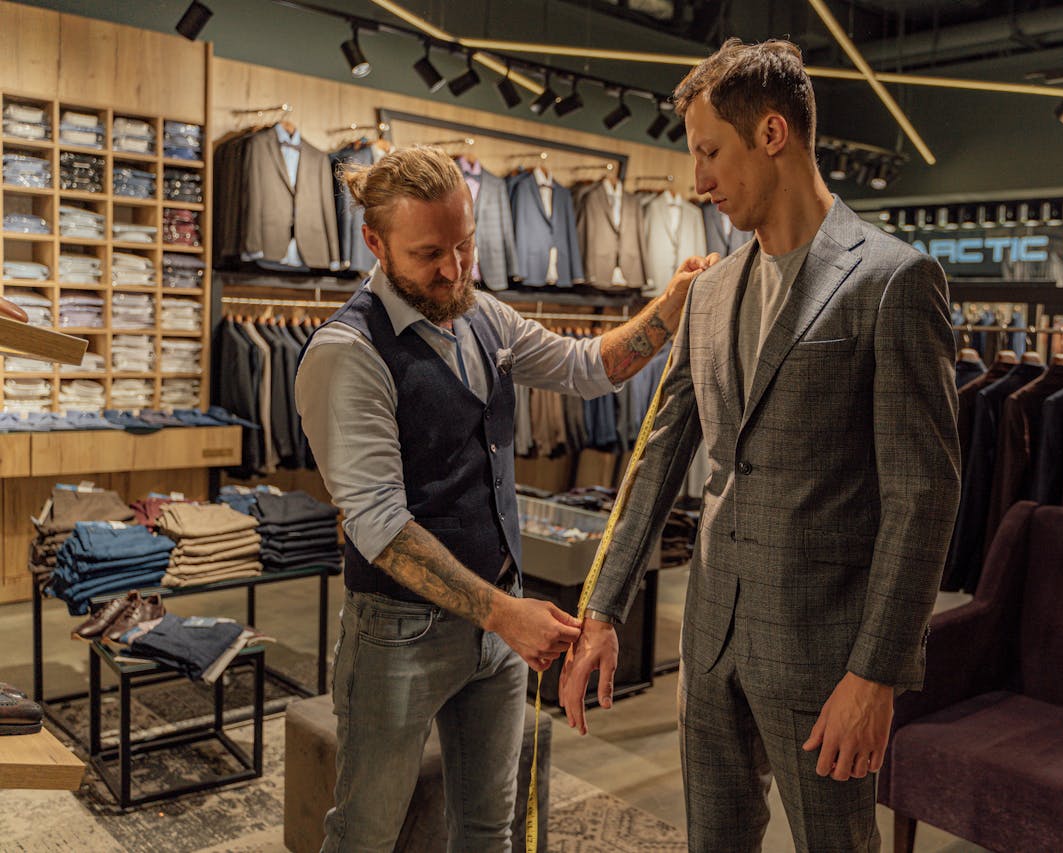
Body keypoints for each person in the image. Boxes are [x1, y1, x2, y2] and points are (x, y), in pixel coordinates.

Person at [558, 38, 961, 852]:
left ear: (772, 134)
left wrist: (876, 673)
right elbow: (659, 455)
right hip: (708, 638)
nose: (698, 180)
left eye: (710, 152)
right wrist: (601, 606)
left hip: (826, 656)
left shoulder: (892, 281)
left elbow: (924, 495)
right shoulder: (706, 293)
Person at [295, 145, 717, 852]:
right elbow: (380, 528)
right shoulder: (348, 352)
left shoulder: (484, 315)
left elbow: (590, 369)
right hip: (399, 636)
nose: (455, 269)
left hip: (496, 632)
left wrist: (669, 309)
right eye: (430, 253)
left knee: (490, 828)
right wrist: (505, 613)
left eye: (465, 245)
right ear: (374, 242)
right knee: (366, 834)